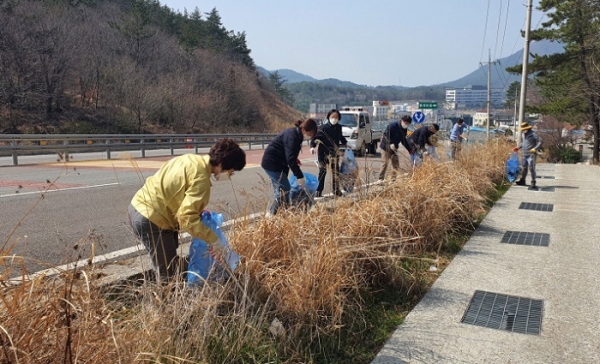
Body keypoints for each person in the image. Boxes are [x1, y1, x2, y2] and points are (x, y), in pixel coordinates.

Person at [128, 138, 247, 282]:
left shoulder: (189, 159)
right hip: (153, 219)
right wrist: (213, 240)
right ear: (223, 165)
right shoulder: (201, 180)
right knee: (168, 274)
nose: (229, 176)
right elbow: (186, 218)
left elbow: (176, 190)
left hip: (138, 206)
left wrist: (197, 210)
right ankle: (165, 301)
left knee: (169, 259)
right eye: (231, 172)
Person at [262, 118, 318, 215]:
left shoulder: (297, 134)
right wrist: (299, 176)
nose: (311, 136)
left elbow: (289, 152)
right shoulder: (292, 136)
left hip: (279, 162)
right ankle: (271, 214)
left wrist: (294, 160)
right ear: (304, 129)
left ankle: (282, 212)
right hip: (272, 163)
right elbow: (290, 159)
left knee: (281, 190)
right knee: (284, 189)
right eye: (311, 133)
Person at [310, 109, 347, 197]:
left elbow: (340, 136)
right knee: (322, 171)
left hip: (334, 153)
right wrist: (312, 146)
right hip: (323, 153)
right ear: (328, 117)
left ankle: (336, 189)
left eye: (336, 117)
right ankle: (318, 191)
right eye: (332, 117)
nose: (334, 119)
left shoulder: (339, 127)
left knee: (335, 172)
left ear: (339, 118)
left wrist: (345, 143)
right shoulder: (323, 128)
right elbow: (315, 138)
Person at [378, 115, 413, 180]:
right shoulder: (393, 125)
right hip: (385, 147)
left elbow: (403, 140)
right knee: (385, 163)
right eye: (406, 123)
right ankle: (380, 179)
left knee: (395, 164)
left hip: (394, 148)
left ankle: (393, 179)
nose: (406, 125)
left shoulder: (404, 129)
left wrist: (409, 149)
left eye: (408, 124)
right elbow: (386, 135)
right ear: (402, 121)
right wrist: (391, 143)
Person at [515, 121, 542, 189]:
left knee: (531, 168)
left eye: (524, 129)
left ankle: (533, 181)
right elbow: (523, 143)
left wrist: (535, 148)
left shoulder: (533, 134)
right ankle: (523, 180)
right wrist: (518, 148)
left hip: (531, 154)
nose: (523, 130)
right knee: (524, 168)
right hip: (524, 153)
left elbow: (540, 141)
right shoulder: (523, 135)